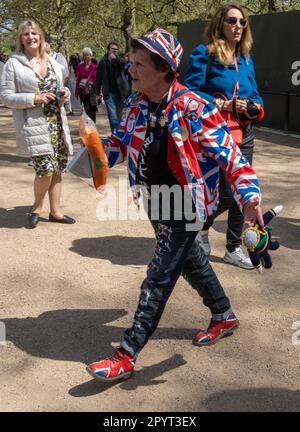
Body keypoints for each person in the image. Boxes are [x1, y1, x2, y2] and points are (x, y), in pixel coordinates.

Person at [86, 28, 264, 382]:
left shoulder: (195, 107)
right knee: (191, 262)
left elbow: (231, 157)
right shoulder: (136, 104)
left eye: (138, 64)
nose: (130, 70)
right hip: (155, 201)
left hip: (186, 205)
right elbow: (121, 144)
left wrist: (249, 199)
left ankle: (127, 352)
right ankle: (224, 314)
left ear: (164, 68)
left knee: (159, 275)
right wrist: (93, 153)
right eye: (130, 62)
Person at [184, 3, 264, 269]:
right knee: (226, 194)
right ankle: (201, 228)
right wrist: (223, 104)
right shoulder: (203, 54)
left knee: (244, 191)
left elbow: (254, 94)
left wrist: (252, 107)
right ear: (220, 24)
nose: (238, 26)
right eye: (232, 21)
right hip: (216, 132)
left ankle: (233, 248)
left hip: (245, 132)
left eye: (243, 22)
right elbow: (191, 93)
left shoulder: (245, 58)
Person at [0, 20, 75, 228]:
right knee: (45, 170)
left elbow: (59, 88)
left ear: (40, 36)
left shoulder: (52, 61)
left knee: (58, 168)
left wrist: (64, 95)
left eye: (34, 33)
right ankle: (36, 207)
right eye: (26, 34)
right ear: (20, 39)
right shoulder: (13, 64)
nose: (31, 37)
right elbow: (6, 97)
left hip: (57, 122)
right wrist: (34, 98)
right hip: (34, 125)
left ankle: (56, 212)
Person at [95, 42, 131, 132]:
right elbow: (98, 78)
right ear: (108, 50)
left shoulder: (120, 59)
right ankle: (115, 137)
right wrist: (97, 93)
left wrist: (116, 59)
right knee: (113, 117)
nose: (114, 51)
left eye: (116, 49)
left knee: (118, 117)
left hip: (120, 92)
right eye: (112, 49)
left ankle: (117, 136)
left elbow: (125, 64)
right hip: (108, 93)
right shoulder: (103, 62)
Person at [75, 47, 97, 122]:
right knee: (86, 110)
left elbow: (98, 80)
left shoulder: (95, 67)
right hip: (83, 91)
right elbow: (78, 79)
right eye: (84, 55)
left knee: (93, 110)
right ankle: (88, 126)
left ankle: (93, 127)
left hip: (92, 92)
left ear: (91, 56)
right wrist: (76, 91)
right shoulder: (80, 66)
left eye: (87, 55)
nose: (86, 56)